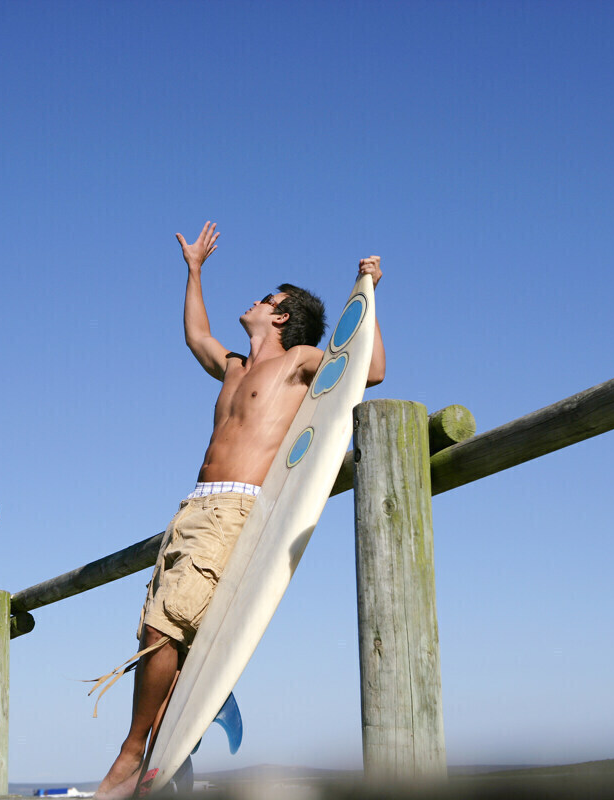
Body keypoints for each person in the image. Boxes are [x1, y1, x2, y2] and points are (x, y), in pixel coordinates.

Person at [94, 223, 385, 798]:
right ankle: (169, 760)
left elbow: (367, 370)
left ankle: (131, 758)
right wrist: (194, 270)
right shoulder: (231, 367)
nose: (254, 301)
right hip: (191, 511)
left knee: (164, 629)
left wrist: (369, 291)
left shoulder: (300, 360)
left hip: (236, 509)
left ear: (281, 317)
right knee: (169, 634)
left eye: (266, 298)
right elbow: (194, 335)